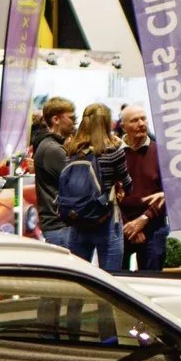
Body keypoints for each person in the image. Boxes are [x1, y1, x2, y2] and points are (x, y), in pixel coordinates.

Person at [57, 104, 125, 271]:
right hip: (105, 221)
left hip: (77, 219)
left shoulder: (72, 149)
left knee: (78, 276)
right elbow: (128, 184)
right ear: (107, 123)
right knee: (110, 278)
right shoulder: (112, 151)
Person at [116, 106, 168, 274]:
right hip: (121, 226)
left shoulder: (162, 153)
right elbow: (108, 192)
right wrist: (128, 225)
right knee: (116, 280)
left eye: (143, 118)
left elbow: (169, 193)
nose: (141, 123)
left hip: (153, 225)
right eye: (134, 120)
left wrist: (143, 219)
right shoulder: (113, 154)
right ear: (123, 127)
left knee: (152, 280)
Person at [31, 96, 74, 242]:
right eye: (71, 118)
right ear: (56, 119)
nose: (74, 122)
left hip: (59, 225)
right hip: (59, 226)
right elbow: (77, 182)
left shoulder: (52, 145)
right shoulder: (52, 149)